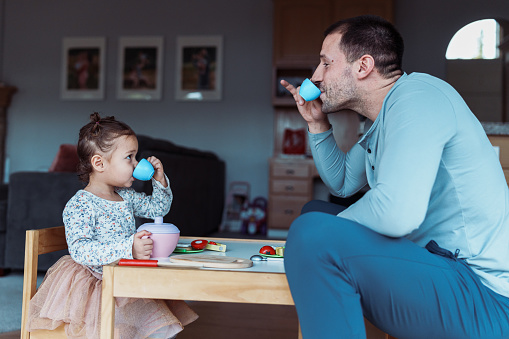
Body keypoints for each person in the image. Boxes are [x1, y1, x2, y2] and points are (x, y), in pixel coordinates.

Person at [281, 15, 509, 338]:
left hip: (485, 298)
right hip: (445, 272)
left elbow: (397, 213)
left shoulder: (418, 98)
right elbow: (343, 183)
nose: (316, 76)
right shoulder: (384, 116)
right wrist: (317, 125)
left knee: (311, 234)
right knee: (315, 215)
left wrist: (317, 237)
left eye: (325, 63)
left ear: (363, 66)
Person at [27, 113, 198, 338]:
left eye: (136, 157)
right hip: (95, 280)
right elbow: (81, 250)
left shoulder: (126, 196)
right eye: (129, 157)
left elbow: (158, 209)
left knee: (156, 325)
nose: (137, 165)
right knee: (108, 328)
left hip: (125, 274)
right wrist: (129, 248)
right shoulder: (81, 204)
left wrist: (159, 180)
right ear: (99, 163)